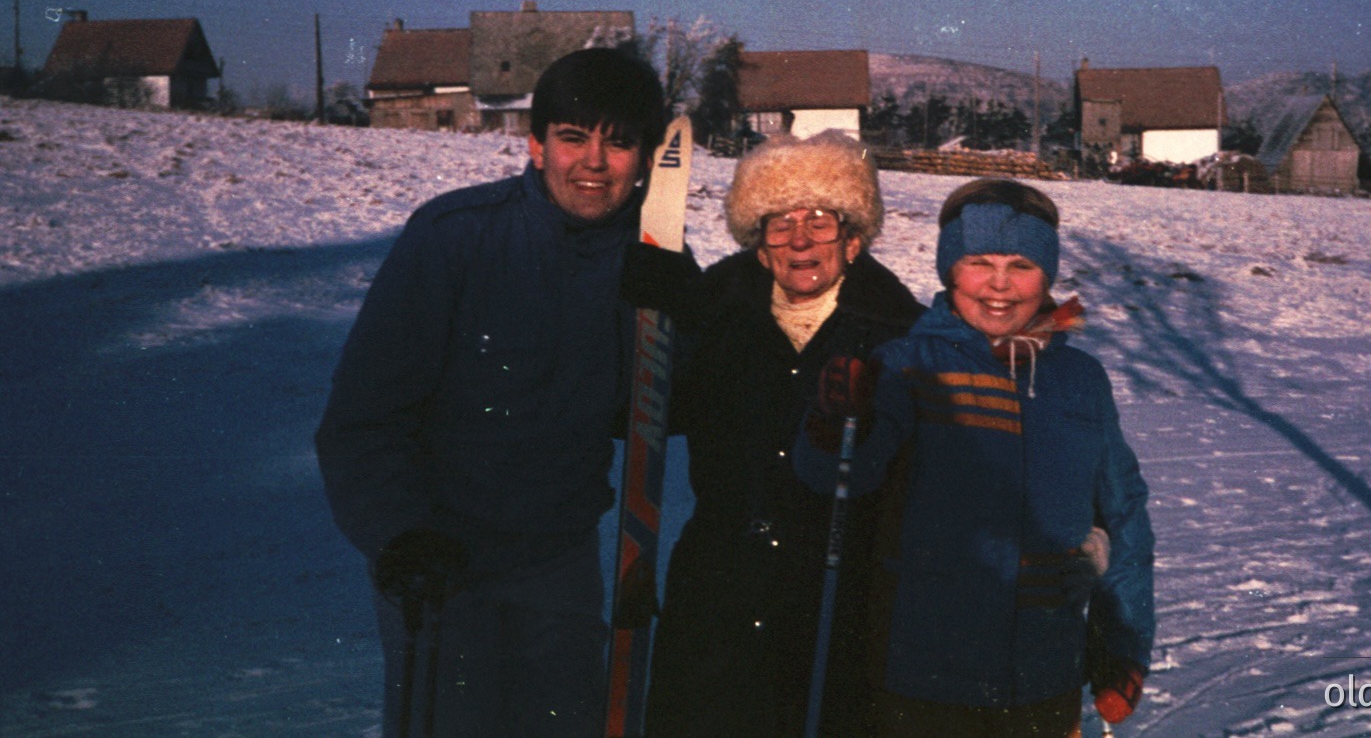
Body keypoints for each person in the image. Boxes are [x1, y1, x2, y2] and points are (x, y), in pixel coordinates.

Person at [314, 47, 672, 738]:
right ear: (536, 146)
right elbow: (360, 420)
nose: (594, 161)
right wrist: (401, 534)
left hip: (558, 566)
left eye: (619, 141)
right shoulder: (456, 238)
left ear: (645, 158)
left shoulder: (649, 264)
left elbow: (658, 416)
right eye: (573, 137)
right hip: (443, 565)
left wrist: (686, 324)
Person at [797, 178, 1155, 738]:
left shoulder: (1080, 379)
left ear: (1049, 275)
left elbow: (1124, 514)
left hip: (1045, 673)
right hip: (924, 676)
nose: (999, 285)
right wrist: (834, 424)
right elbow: (839, 479)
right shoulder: (907, 365)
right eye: (978, 262)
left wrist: (1123, 645)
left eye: (1022, 265)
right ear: (948, 270)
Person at [640, 132, 925, 738]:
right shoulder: (713, 319)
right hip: (718, 600)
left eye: (820, 222)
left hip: (839, 606)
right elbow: (637, 416)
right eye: (780, 223)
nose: (800, 240)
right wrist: (641, 319)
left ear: (852, 240)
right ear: (760, 246)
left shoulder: (900, 338)